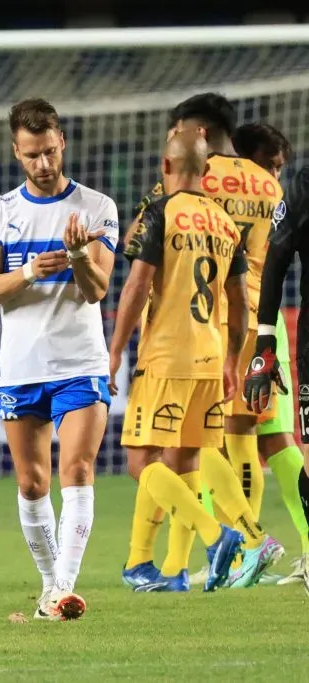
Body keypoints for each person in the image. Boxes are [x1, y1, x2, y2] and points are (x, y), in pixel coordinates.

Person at [122, 96, 281, 590]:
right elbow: (260, 270)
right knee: (224, 445)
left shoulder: (174, 198)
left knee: (151, 457)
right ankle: (171, 570)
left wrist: (113, 351)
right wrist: (243, 351)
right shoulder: (264, 189)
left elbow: (135, 268)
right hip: (239, 330)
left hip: (174, 341)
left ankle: (236, 538)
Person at [0, 98, 117, 621]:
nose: (44, 164)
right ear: (17, 151)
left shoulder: (98, 207)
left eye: (51, 152)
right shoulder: (0, 211)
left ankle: (64, 588)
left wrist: (80, 256)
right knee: (32, 484)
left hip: (80, 362)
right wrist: (31, 271)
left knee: (76, 469)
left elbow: (98, 290)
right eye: (33, 155)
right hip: (22, 366)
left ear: (63, 144)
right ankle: (49, 587)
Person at [111, 130, 247, 592]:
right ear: (206, 172)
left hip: (168, 355)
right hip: (211, 357)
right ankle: (171, 572)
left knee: (140, 461)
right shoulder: (226, 222)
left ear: (165, 167)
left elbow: (135, 287)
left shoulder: (161, 212)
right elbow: (240, 301)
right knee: (185, 460)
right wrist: (231, 359)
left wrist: (114, 353)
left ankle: (216, 533)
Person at [230, 123, 307, 585]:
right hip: (258, 321)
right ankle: (244, 551)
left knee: (263, 440)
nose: (273, 177)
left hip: (256, 321)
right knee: (259, 441)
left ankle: (249, 549)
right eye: (269, 165)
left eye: (279, 168)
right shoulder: (271, 196)